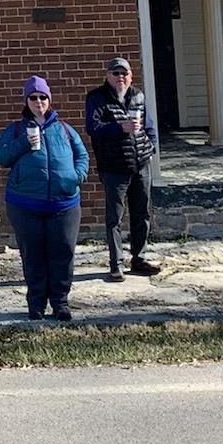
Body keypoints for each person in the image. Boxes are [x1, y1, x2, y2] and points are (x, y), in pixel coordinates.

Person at [0, 75, 89, 321]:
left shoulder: (65, 129)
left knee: (63, 252)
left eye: (43, 97)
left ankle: (60, 303)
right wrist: (24, 143)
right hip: (25, 205)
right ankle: (36, 304)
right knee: (33, 255)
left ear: (49, 100)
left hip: (64, 204)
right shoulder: (16, 129)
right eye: (33, 98)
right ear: (27, 101)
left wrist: (74, 177)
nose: (39, 102)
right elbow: (1, 156)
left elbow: (83, 156)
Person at [84, 55, 161, 280]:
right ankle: (115, 263)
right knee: (114, 218)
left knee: (142, 213)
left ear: (130, 76)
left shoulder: (138, 95)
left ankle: (139, 259)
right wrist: (120, 127)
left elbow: (149, 125)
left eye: (124, 73)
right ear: (107, 76)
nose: (120, 77)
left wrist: (152, 147)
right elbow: (93, 128)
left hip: (141, 163)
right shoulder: (96, 98)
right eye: (115, 73)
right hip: (114, 165)